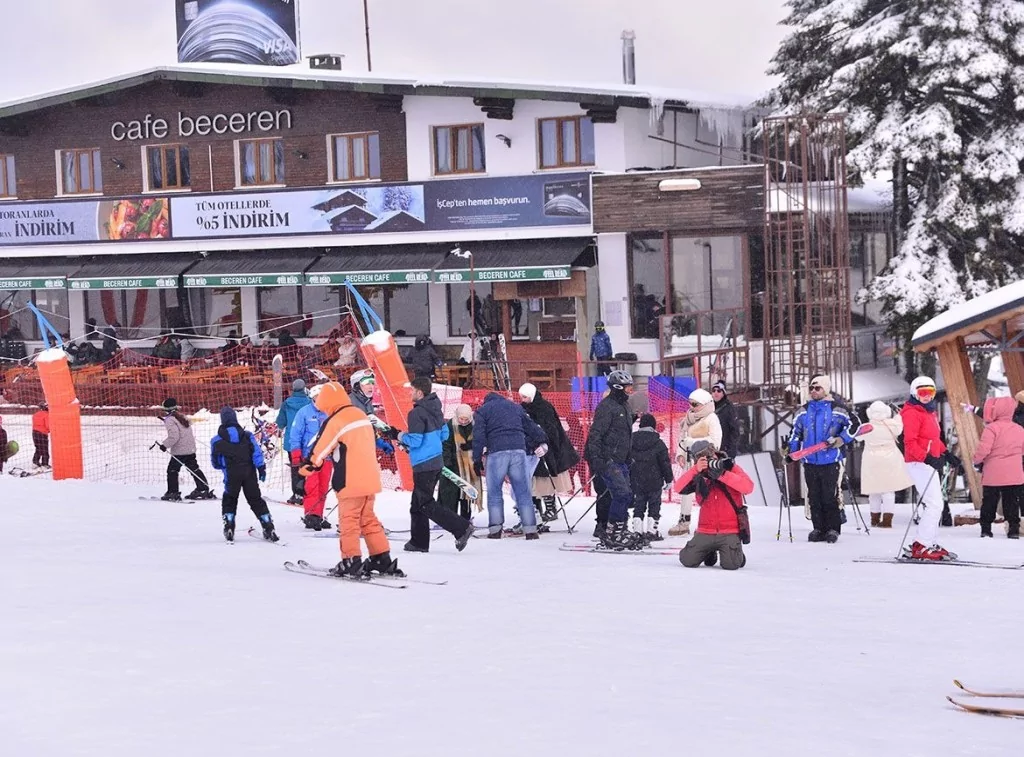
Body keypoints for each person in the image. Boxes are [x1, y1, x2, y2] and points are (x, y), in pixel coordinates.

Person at [302, 382, 404, 578]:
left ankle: (351, 560)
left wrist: (306, 469)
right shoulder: (360, 415)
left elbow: (320, 450)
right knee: (368, 519)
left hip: (350, 480)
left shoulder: (336, 420)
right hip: (370, 479)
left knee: (348, 521)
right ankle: (382, 559)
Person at [384, 377, 474, 552]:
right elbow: (444, 434)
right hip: (435, 461)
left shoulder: (416, 413)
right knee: (416, 504)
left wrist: (398, 435)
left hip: (423, 463)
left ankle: (461, 528)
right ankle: (418, 542)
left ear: (419, 392)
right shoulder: (436, 408)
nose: (410, 393)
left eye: (412, 390)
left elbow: (415, 441)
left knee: (425, 503)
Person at [787, 376, 855, 544]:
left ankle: (833, 528)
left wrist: (841, 439)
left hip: (831, 459)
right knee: (814, 495)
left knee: (829, 495)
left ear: (825, 389)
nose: (813, 391)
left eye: (817, 388)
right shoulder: (803, 411)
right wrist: (791, 452)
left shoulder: (838, 409)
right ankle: (818, 527)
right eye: (811, 388)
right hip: (810, 460)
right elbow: (796, 432)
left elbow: (855, 424)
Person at [473, 391, 548, 539]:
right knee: (523, 492)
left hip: (496, 453)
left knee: (494, 493)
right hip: (519, 452)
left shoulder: (483, 411)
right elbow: (531, 427)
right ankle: (530, 530)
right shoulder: (515, 407)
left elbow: (478, 436)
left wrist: (476, 459)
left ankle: (495, 530)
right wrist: (542, 439)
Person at [899, 376, 959, 558]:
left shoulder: (929, 412)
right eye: (922, 393)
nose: (926, 396)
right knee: (934, 504)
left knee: (935, 504)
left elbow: (933, 439)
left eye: (930, 392)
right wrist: (927, 458)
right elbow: (910, 443)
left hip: (928, 462)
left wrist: (946, 453)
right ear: (914, 393)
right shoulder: (911, 412)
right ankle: (921, 545)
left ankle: (927, 542)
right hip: (918, 462)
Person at [675, 440, 753, 570]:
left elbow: (748, 487)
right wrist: (695, 470)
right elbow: (678, 488)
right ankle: (708, 552)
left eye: (712, 457)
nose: (711, 461)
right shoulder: (699, 474)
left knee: (731, 565)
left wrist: (723, 475)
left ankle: (736, 553)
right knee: (687, 560)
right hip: (705, 530)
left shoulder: (730, 467)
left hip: (729, 530)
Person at [583, 369, 639, 549]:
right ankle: (612, 531)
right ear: (618, 387)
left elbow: (622, 431)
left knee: (627, 495)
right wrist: (598, 459)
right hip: (608, 459)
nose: (630, 391)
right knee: (620, 494)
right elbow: (596, 434)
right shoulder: (607, 406)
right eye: (628, 388)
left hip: (622, 459)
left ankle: (620, 528)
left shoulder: (624, 406)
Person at [210, 407, 277, 543]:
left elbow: (215, 462)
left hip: (231, 474)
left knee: (230, 499)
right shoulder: (247, 435)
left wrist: (223, 466)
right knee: (255, 499)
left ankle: (229, 525)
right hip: (249, 472)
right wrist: (261, 468)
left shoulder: (216, 440)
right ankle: (268, 525)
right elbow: (256, 452)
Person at [519, 382, 580, 523]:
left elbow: (552, 428)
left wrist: (546, 443)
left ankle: (550, 507)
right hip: (529, 449)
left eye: (525, 397)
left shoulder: (545, 408)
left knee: (546, 479)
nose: (523, 400)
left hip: (548, 449)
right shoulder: (521, 409)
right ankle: (536, 511)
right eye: (521, 397)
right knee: (533, 481)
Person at [669, 388, 722, 537]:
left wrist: (692, 443)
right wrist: (680, 453)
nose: (691, 407)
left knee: (707, 492)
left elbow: (715, 442)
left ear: (704, 404)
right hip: (689, 461)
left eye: (695, 404)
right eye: (690, 403)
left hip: (706, 461)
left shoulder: (711, 418)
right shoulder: (689, 418)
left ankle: (710, 523)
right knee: (687, 491)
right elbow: (682, 437)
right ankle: (684, 522)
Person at [972, 396, 1024, 539]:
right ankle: (1013, 529)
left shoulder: (991, 429)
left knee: (989, 501)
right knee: (1012, 502)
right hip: (1014, 473)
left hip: (993, 473)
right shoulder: (1019, 429)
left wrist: (976, 461)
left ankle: (986, 529)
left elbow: (983, 450)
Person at [860, 401, 912, 529]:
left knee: (874, 491)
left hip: (871, 460)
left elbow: (856, 437)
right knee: (888, 491)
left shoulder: (867, 427)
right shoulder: (892, 425)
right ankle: (887, 521)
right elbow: (899, 426)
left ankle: (874, 519)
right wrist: (898, 416)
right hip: (889, 459)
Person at [290, 391, 333, 531]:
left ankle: (319, 515)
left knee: (323, 488)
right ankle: (311, 515)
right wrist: (296, 454)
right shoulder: (304, 412)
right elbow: (295, 433)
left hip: (327, 457)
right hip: (310, 458)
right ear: (313, 397)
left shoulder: (330, 412)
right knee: (311, 487)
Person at [157, 398, 213, 501]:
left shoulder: (170, 420)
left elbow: (174, 436)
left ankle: (172, 492)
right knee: (194, 468)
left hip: (180, 451)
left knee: (172, 470)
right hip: (190, 449)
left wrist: (164, 445)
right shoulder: (182, 416)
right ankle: (202, 488)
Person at [629, 413, 674, 540]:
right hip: (655, 480)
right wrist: (669, 479)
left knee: (639, 504)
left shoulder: (631, 440)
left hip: (637, 479)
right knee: (654, 505)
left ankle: (637, 530)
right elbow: (665, 463)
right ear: (653, 426)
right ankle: (651, 531)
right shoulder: (658, 443)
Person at [439, 403, 480, 520]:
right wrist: (446, 461)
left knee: (466, 491)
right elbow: (445, 444)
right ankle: (448, 517)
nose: (463, 421)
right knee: (450, 492)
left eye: (466, 419)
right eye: (461, 418)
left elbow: (478, 440)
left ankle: (465, 517)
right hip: (452, 463)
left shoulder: (474, 425)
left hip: (468, 465)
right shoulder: (450, 425)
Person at [277, 378, 312, 506]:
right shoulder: (309, 403)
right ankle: (305, 493)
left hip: (291, 442)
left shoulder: (287, 404)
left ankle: (296, 493)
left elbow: (281, 422)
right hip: (307, 441)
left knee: (295, 467)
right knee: (306, 467)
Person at [711, 381, 741, 457]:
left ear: (723, 393)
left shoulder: (729, 408)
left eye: (719, 391)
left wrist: (730, 450)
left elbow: (734, 431)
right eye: (714, 391)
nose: (716, 393)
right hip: (712, 448)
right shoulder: (709, 407)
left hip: (724, 448)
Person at [32, 403, 49, 468]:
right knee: (45, 449)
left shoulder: (35, 414)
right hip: (42, 434)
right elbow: (48, 426)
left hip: (34, 433)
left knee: (38, 448)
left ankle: (35, 461)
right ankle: (45, 463)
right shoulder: (46, 415)